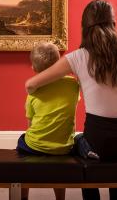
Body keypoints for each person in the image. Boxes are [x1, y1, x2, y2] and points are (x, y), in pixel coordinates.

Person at [25, 0, 117, 200]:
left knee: (78, 142)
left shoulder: (77, 57)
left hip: (100, 142)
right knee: (114, 154)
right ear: (113, 23)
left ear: (85, 26)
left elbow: (31, 85)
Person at [17, 42, 80, 200]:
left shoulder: (33, 92)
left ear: (33, 68)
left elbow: (30, 125)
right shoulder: (73, 86)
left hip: (35, 146)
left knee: (22, 148)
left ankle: (23, 195)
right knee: (59, 172)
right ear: (59, 63)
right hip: (64, 147)